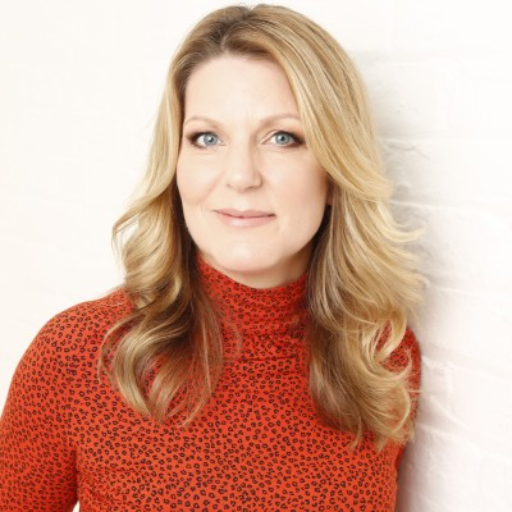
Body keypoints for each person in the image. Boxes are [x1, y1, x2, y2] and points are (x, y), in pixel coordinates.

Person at [0, 4, 425, 510]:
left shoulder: (379, 360)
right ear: (176, 165)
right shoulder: (79, 355)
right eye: (207, 138)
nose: (241, 176)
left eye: (283, 138)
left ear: (335, 174)